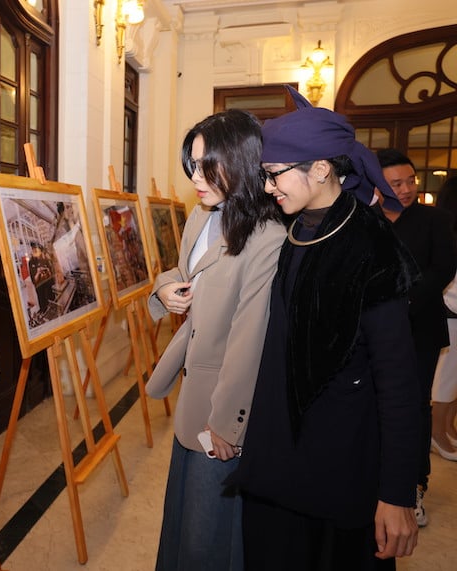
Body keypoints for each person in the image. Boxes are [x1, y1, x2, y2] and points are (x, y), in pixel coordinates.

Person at [231, 87, 421, 569]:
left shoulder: (370, 245)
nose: (268, 187)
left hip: (337, 465)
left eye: (274, 176)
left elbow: (398, 381)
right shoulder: (296, 225)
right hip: (277, 455)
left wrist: (397, 492)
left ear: (319, 169)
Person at [145, 109, 285, 570]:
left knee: (211, 532)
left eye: (208, 165)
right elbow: (184, 273)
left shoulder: (267, 236)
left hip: (222, 402)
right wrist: (165, 288)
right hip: (193, 389)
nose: (196, 177)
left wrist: (229, 422)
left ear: (243, 162)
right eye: (194, 164)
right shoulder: (200, 217)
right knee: (183, 520)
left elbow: (251, 338)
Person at [377, 148, 457, 525]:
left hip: (419, 330)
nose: (406, 189)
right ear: (378, 185)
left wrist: (402, 302)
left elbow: (442, 268)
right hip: (373, 332)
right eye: (396, 183)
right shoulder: (365, 220)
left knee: (414, 407)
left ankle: (414, 486)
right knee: (375, 405)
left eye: (410, 180)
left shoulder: (434, 219)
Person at [431, 176, 457, 459]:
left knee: (453, 378)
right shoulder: (446, 231)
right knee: (445, 380)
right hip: (451, 314)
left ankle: (446, 428)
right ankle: (437, 433)